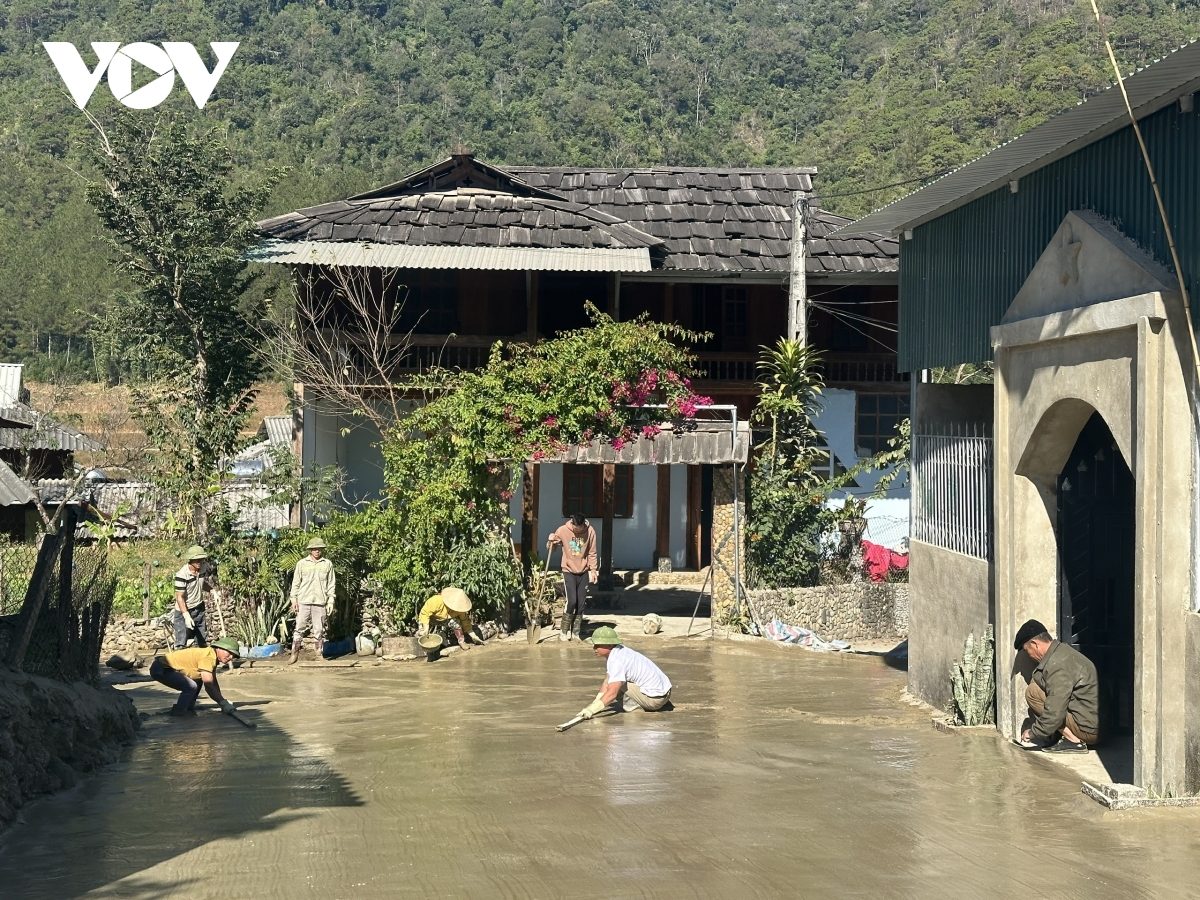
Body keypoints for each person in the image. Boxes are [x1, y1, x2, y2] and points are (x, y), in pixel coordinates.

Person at [1015, 618, 1100, 753]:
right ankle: (1059, 734)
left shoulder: (1057, 665)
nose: (1029, 655)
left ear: (1035, 644)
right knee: (1037, 686)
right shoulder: (1062, 653)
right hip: (1094, 724)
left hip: (1089, 730)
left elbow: (1055, 711)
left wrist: (1032, 733)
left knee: (1033, 692)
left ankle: (1073, 741)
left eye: (1026, 650)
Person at [578, 626, 672, 719]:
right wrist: (595, 703)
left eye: (598, 645)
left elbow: (612, 693)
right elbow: (607, 680)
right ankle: (653, 703)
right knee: (612, 681)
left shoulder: (617, 661)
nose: (594, 648)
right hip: (665, 694)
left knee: (616, 685)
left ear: (610, 645)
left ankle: (635, 708)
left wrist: (591, 710)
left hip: (655, 700)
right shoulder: (620, 650)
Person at [149, 636, 242, 717]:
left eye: (233, 656)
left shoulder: (212, 655)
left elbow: (213, 682)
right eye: (229, 653)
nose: (230, 657)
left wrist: (222, 702)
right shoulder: (208, 657)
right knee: (191, 686)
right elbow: (209, 686)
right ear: (220, 648)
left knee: (199, 679)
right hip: (162, 668)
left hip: (164, 667)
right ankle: (179, 713)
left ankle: (188, 707)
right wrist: (223, 703)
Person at [548, 513, 598, 642]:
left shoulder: (590, 531)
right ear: (572, 523)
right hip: (568, 570)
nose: (578, 530)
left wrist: (593, 570)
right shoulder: (563, 530)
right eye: (576, 528)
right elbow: (552, 549)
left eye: (581, 528)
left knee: (581, 603)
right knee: (572, 601)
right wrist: (551, 542)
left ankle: (576, 632)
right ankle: (564, 631)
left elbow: (592, 552)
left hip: (583, 570)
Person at [288, 537, 336, 665]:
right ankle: (294, 653)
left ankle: (319, 654)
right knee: (299, 627)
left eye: (319, 549)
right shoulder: (302, 564)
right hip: (304, 600)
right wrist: (294, 600)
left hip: (320, 601)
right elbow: (296, 583)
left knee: (319, 629)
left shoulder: (327, 564)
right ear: (310, 550)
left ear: (322, 550)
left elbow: (331, 583)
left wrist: (331, 600)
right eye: (314, 549)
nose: (317, 551)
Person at [418, 587, 486, 650]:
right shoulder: (436, 600)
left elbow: (466, 623)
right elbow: (424, 614)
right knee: (423, 633)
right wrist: (426, 629)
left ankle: (461, 642)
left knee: (456, 622)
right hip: (430, 619)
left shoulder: (460, 609)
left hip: (445, 620)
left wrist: (474, 636)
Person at [173, 545, 211, 650]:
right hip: (184, 610)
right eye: (197, 560)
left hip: (199, 607)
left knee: (201, 641)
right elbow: (180, 597)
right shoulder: (182, 575)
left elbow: (201, 583)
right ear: (191, 560)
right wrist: (186, 616)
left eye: (201, 559)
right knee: (181, 642)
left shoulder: (202, 568)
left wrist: (213, 591)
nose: (200, 562)